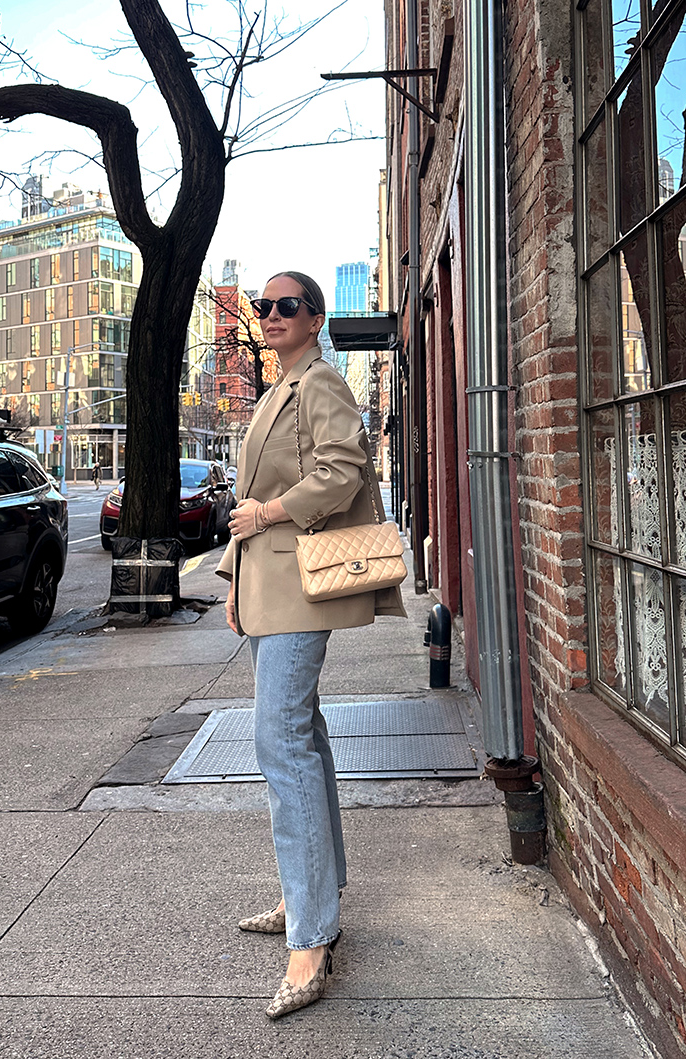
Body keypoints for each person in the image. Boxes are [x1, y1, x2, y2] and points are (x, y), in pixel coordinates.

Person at [216, 271, 405, 1019]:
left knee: (281, 742)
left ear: (315, 317)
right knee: (306, 738)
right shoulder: (278, 388)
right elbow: (248, 504)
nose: (269, 315)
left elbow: (342, 471)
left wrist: (268, 514)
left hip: (298, 589)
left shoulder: (320, 381)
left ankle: (313, 935)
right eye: (262, 306)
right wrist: (233, 582)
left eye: (285, 306)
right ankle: (311, 896)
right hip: (266, 589)